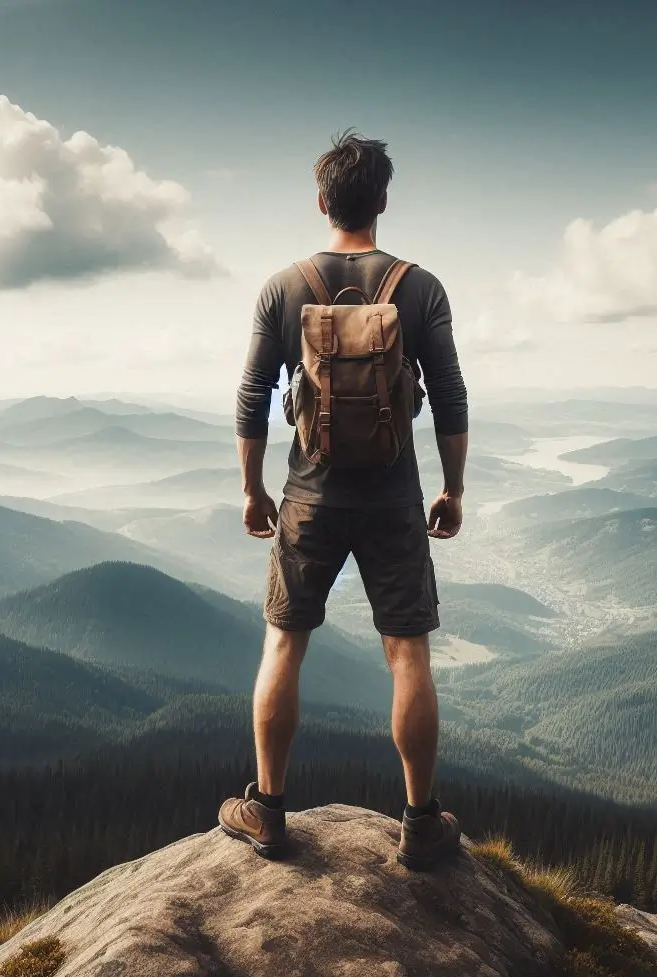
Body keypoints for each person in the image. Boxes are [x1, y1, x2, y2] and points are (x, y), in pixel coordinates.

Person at [218, 129, 469, 871]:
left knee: (284, 643)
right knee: (408, 655)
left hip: (309, 495)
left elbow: (250, 396)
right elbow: (450, 395)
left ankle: (266, 812)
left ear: (322, 201)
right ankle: (419, 822)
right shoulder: (419, 287)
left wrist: (251, 488)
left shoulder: (283, 286)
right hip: (394, 494)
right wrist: (452, 489)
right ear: (382, 201)